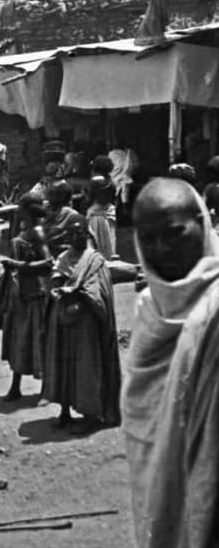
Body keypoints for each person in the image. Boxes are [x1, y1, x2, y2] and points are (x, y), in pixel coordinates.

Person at [122, 178, 219, 548]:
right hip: (160, 501)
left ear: (201, 221)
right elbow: (145, 434)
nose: (161, 249)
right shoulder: (150, 311)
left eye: (174, 233)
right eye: (147, 240)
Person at [42, 213, 121, 431]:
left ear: (86, 234)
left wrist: (81, 293)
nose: (76, 237)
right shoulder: (64, 258)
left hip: (87, 322)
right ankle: (65, 411)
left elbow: (101, 292)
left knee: (86, 367)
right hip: (65, 319)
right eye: (72, 233)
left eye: (80, 233)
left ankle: (90, 416)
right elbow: (54, 282)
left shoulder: (95, 260)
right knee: (64, 364)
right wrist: (59, 291)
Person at [0, 194, 52, 400]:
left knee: (37, 339)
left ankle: (46, 386)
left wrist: (18, 266)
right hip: (21, 292)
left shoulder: (37, 232)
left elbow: (48, 262)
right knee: (19, 340)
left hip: (35, 293)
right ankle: (15, 386)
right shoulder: (23, 231)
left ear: (26, 210)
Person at [87, 155, 118, 259]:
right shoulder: (111, 181)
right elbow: (114, 197)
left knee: (97, 239)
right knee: (110, 238)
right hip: (109, 211)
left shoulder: (95, 180)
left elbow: (90, 198)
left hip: (96, 211)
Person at [44, 181, 80, 256]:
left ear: (61, 196)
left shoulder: (71, 214)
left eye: (52, 194)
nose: (47, 196)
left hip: (63, 253)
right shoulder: (47, 210)